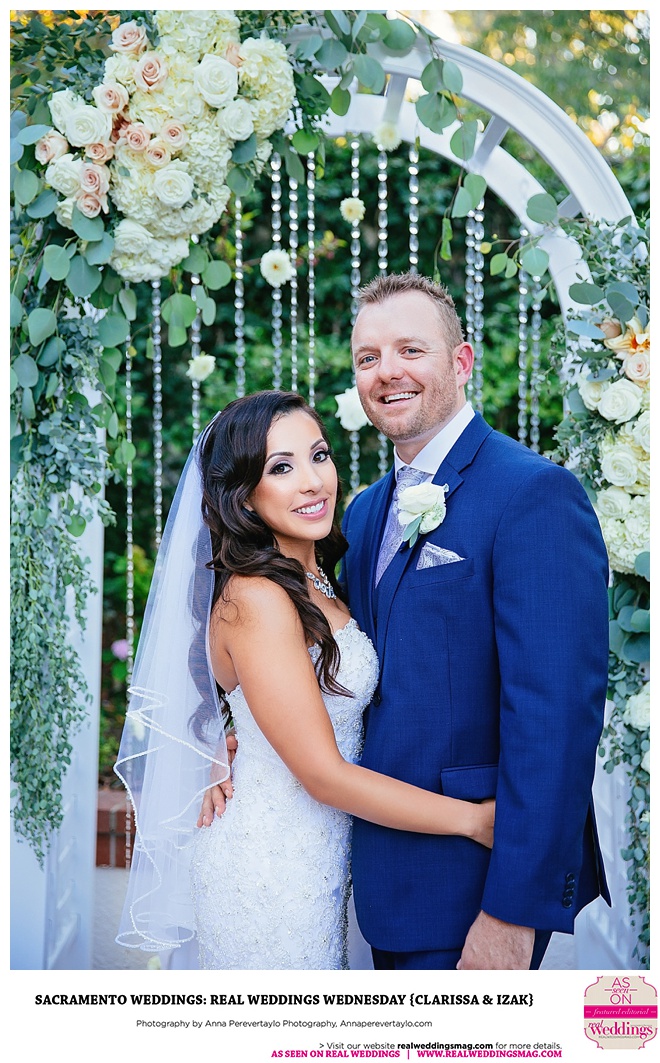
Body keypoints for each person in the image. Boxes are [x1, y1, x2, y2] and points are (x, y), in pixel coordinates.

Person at [115, 389, 495, 970]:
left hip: (324, 854)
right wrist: (473, 820)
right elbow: (322, 774)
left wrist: (225, 733)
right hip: (272, 869)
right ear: (242, 494)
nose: (313, 482)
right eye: (281, 468)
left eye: (318, 456)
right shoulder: (257, 598)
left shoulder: (320, 577)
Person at [339, 271, 610, 971]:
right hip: (383, 876)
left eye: (410, 350)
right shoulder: (362, 513)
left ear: (461, 362)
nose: (387, 372)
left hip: (475, 887)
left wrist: (513, 913)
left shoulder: (534, 494)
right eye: (368, 357)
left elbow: (555, 717)